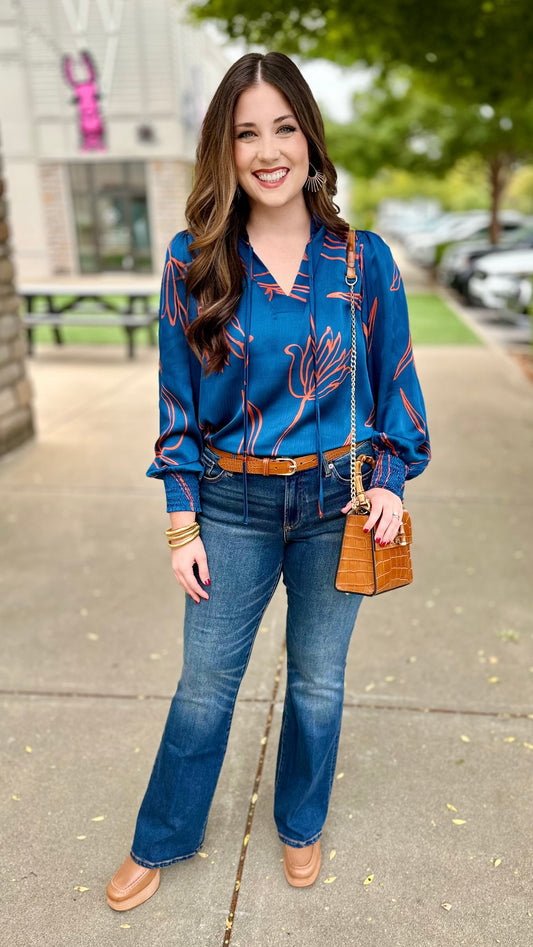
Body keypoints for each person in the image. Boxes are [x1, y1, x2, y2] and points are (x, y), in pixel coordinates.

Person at [106, 51, 430, 911]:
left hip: (340, 503)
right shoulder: (192, 260)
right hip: (231, 504)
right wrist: (182, 521)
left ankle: (300, 822)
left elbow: (395, 391)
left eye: (283, 126)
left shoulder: (362, 261)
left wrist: (392, 479)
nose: (267, 148)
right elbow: (177, 408)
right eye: (246, 131)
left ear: (309, 138)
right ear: (225, 146)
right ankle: (162, 836)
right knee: (205, 686)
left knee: (318, 682)